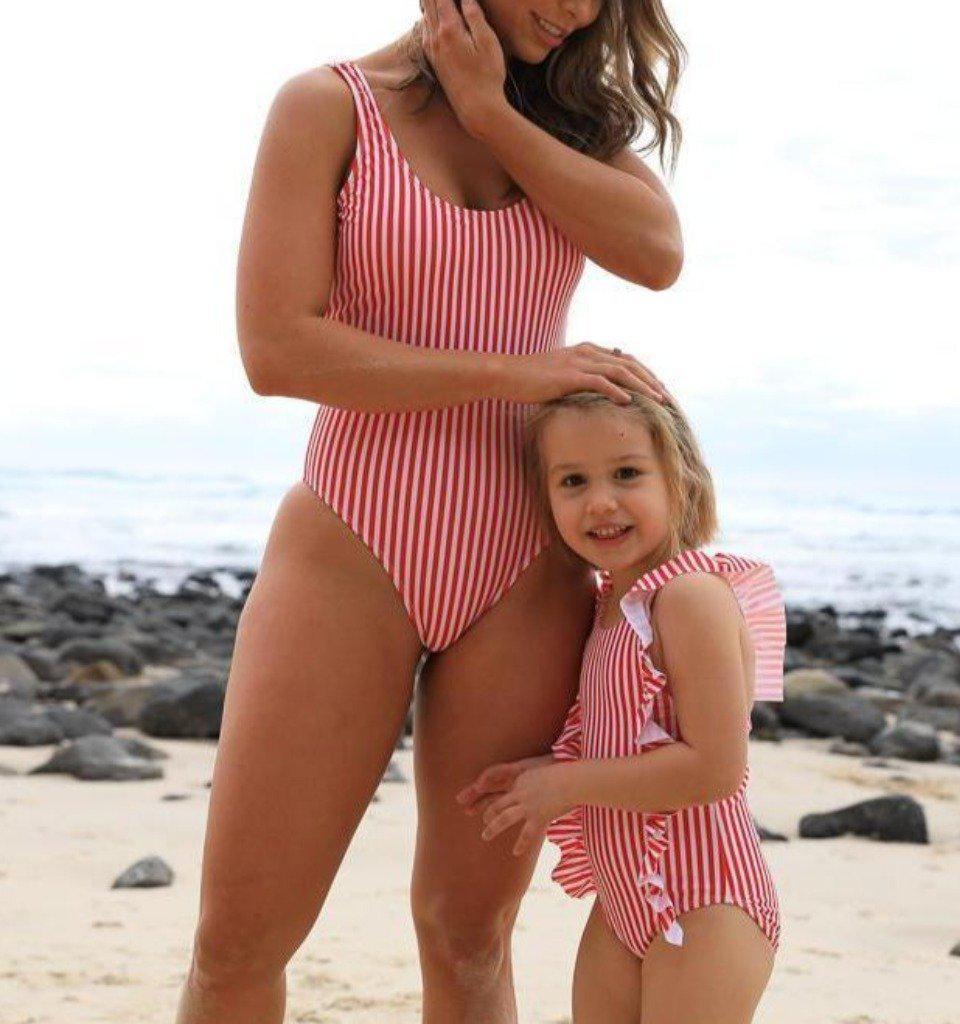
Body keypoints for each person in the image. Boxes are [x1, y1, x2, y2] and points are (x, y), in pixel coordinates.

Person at [174, 1, 686, 1022]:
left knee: (469, 935)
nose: (578, 9)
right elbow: (277, 349)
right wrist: (516, 373)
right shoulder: (329, 107)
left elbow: (656, 253)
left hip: (526, 571)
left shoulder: (564, 123)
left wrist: (492, 112)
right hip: (353, 542)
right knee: (239, 943)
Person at [457, 390, 786, 1023]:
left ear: (681, 479)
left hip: (707, 899)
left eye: (627, 473)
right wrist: (544, 771)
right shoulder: (609, 603)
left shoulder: (689, 596)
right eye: (573, 481)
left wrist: (567, 785)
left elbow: (715, 769)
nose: (601, 501)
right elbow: (625, 738)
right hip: (621, 903)